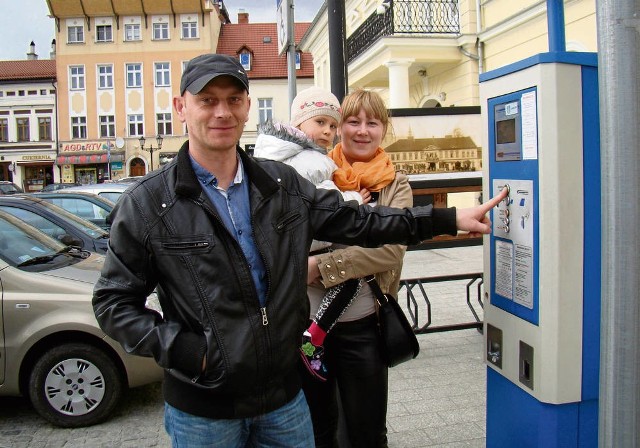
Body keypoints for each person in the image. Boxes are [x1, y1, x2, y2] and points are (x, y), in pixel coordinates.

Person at [92, 53, 506, 448]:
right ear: (181, 107)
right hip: (205, 409)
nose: (222, 112)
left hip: (284, 400)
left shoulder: (280, 184)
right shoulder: (149, 203)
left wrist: (446, 220)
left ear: (248, 107)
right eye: (207, 101)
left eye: (233, 100)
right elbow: (113, 302)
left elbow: (359, 221)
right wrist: (188, 352)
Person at [300, 89, 413, 447]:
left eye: (372, 122)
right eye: (352, 121)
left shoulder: (396, 185)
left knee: (367, 433)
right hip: (306, 330)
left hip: (365, 329)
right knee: (320, 433)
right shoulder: (313, 173)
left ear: (383, 129)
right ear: (337, 128)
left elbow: (390, 251)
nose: (362, 130)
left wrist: (322, 265)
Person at [254, 86, 370, 381]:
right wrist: (356, 201)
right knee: (350, 278)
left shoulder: (280, 152)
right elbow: (327, 206)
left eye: (333, 125)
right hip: (309, 242)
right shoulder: (308, 160)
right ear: (298, 123)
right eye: (320, 122)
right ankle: (313, 337)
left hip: (292, 241)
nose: (328, 131)